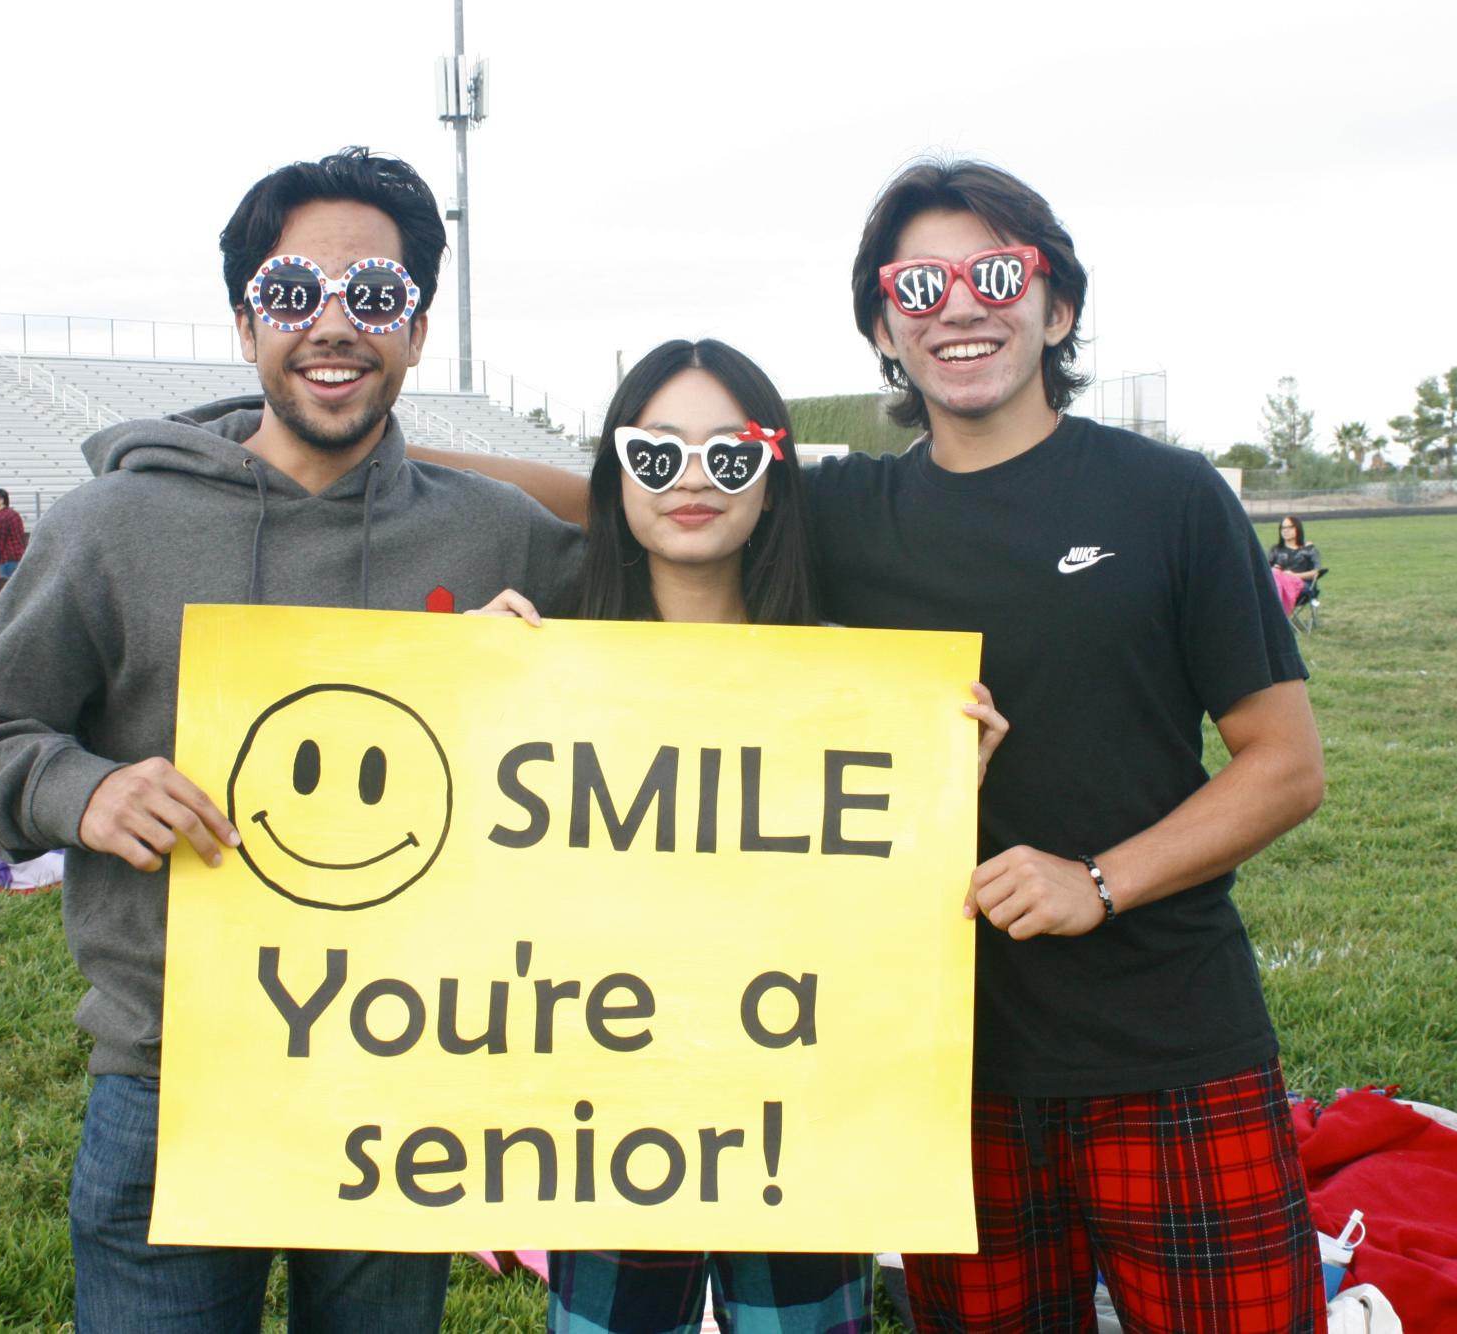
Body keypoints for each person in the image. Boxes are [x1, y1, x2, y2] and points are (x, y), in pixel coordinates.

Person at [420, 158, 1328, 1334]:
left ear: (1056, 308)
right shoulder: (839, 510)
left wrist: (1097, 882)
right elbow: (636, 491)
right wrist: (378, 454)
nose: (960, 303)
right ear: (883, 328)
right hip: (940, 1062)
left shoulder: (1168, 495)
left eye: (996, 272)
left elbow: (1285, 763)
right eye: (920, 282)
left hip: (1166, 1039)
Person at [0, 146, 583, 1333]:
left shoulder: (499, 540)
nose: (334, 324)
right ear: (243, 322)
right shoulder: (117, 523)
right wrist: (82, 788)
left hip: (401, 1065)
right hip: (173, 1071)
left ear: (419, 333)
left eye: (376, 296)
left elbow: (696, 596)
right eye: (292, 294)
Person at [476, 338, 1008, 1334]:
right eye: (654, 452)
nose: (690, 480)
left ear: (772, 479)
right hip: (609, 1114)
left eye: (730, 454)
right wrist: (459, 693)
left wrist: (942, 786)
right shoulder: (536, 664)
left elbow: (886, 926)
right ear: (615, 477)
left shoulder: (860, 680)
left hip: (798, 1105)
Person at [1267, 514, 1321, 617]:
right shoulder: (1275, 549)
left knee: (1276, 577)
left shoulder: (1308, 550)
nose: (1285, 530)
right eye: (1283, 528)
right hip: (1277, 584)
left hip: (1302, 587)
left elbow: (1316, 572)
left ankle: (1277, 615)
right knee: (1274, 575)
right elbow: (1266, 570)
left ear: (1298, 528)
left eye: (1290, 527)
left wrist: (1293, 576)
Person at [0, 487, 27, 583]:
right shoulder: (14, 514)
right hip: (18, 555)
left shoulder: (1, 517)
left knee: (6, 588)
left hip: (7, 558)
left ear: (1, 499)